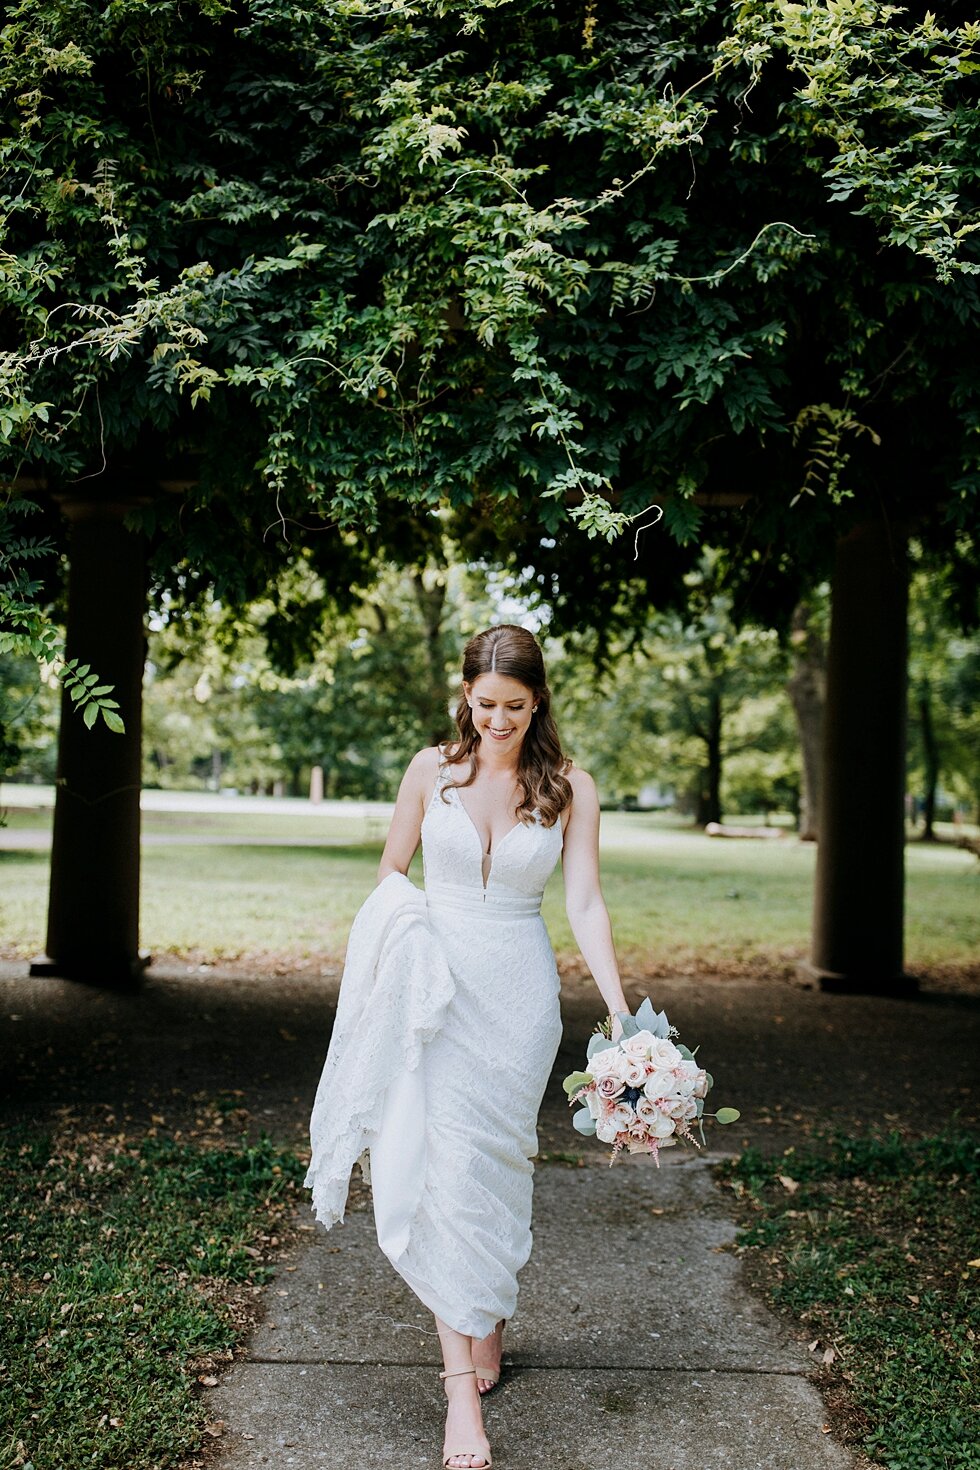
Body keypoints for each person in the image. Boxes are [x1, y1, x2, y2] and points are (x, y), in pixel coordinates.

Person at [305, 624, 629, 1469]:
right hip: (435, 991)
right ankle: (459, 1404)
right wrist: (406, 932)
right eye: (484, 705)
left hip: (518, 997)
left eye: (514, 708)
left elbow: (586, 903)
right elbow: (391, 872)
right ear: (466, 697)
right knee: (443, 1171)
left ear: (539, 702)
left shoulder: (569, 787)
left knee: (499, 1163)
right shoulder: (430, 771)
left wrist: (621, 1011)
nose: (497, 721)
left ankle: (486, 1310)